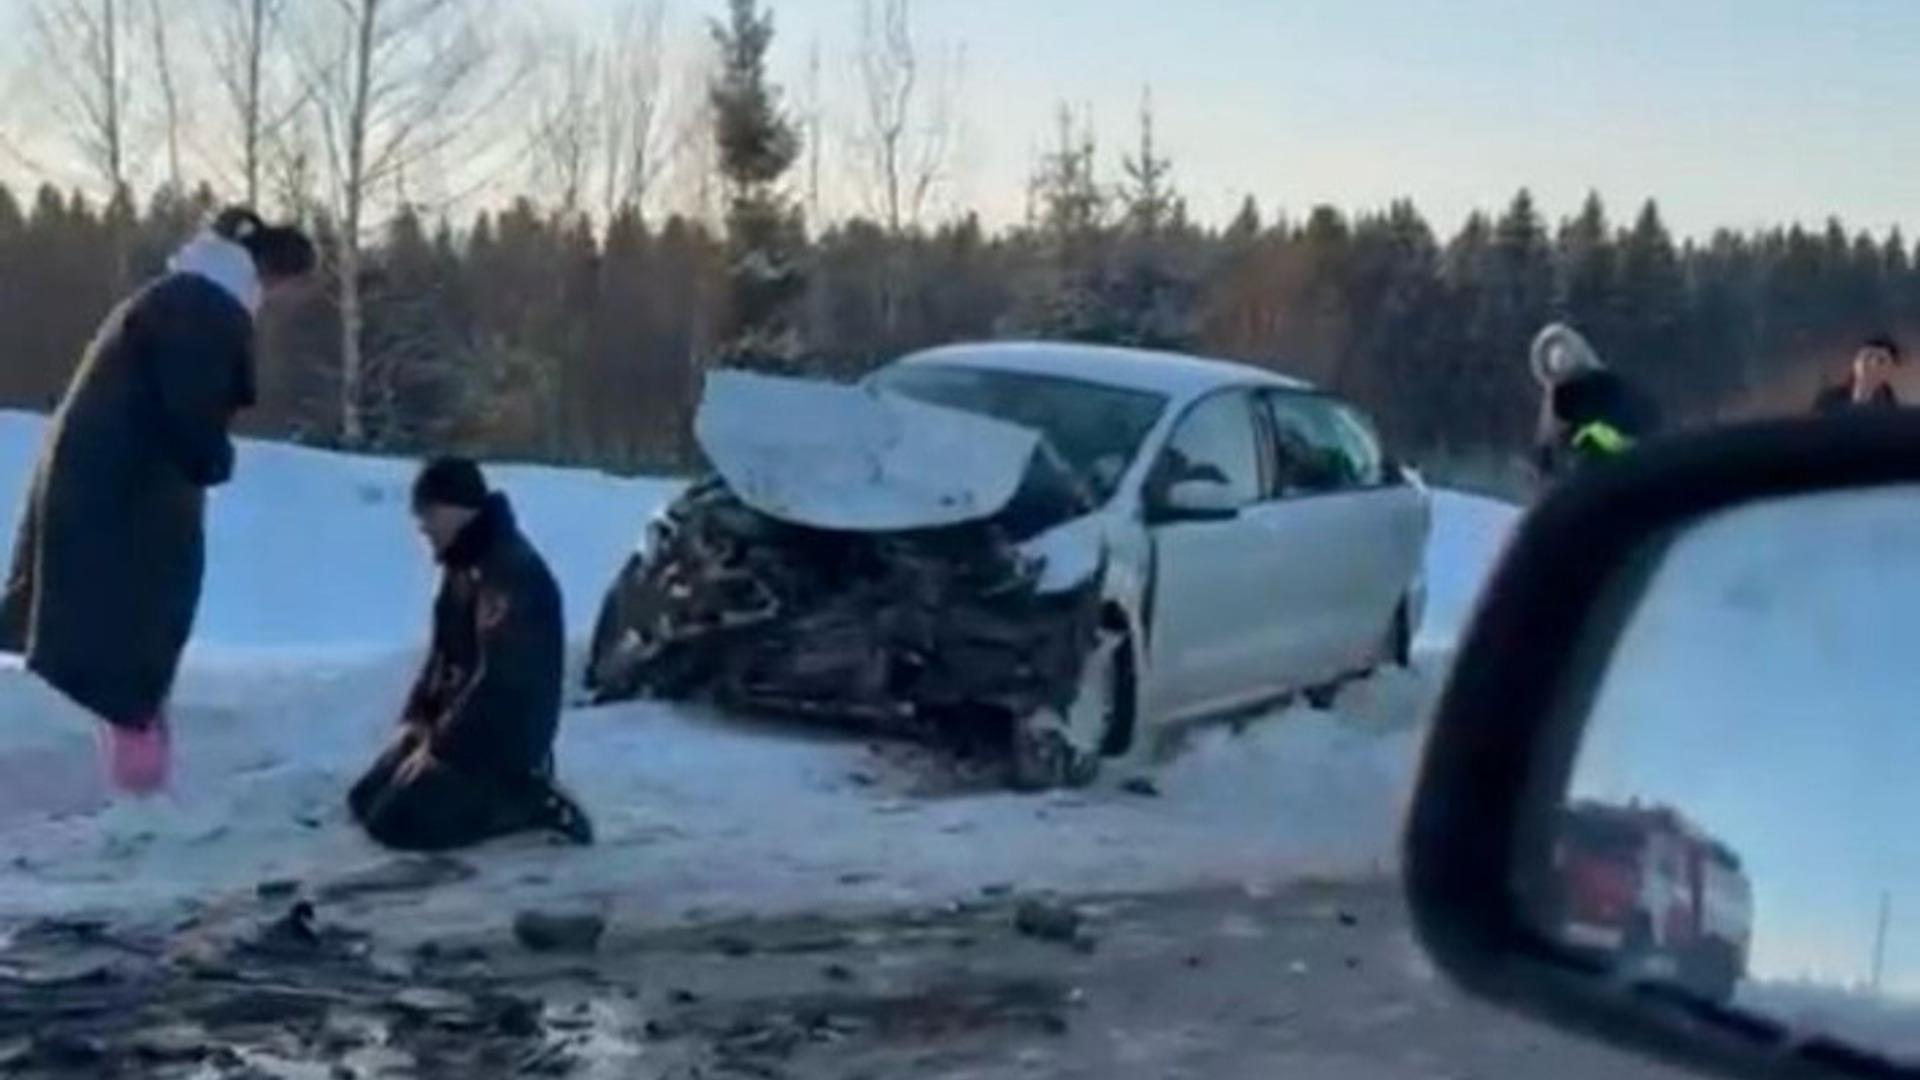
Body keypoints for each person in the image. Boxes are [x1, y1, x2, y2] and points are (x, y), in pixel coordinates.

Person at [0, 207, 316, 796]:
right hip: (127, 500)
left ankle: (135, 780)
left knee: (128, 639)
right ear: (278, 274)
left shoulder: (181, 297)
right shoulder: (203, 310)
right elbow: (190, 412)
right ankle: (137, 793)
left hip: (110, 487)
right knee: (131, 638)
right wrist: (213, 458)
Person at [348, 457, 593, 852]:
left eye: (427, 513)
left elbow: (505, 682)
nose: (421, 526)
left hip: (501, 737)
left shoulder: (512, 573)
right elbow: (444, 655)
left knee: (399, 824)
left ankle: (524, 804)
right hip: (462, 724)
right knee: (365, 801)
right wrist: (420, 718)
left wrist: (443, 743)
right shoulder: (463, 567)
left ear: (456, 509)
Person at [1528, 322, 1659, 486]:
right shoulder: (1555, 400)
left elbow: (1627, 437)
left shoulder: (1606, 387)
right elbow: (1547, 442)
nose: (1560, 360)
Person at [1813, 334, 1903, 413]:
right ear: (1855, 362)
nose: (1872, 364)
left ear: (1889, 371)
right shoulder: (1829, 400)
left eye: (1881, 361)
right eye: (1867, 356)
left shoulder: (1890, 408)